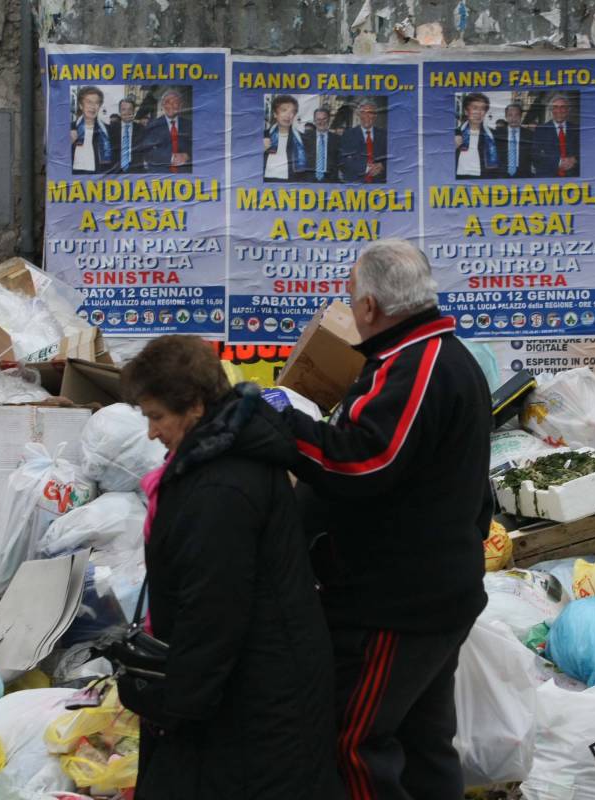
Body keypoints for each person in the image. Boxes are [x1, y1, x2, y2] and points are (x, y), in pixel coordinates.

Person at [276, 239, 492, 800]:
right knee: (423, 745)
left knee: (354, 743)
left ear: (370, 306)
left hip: (399, 607)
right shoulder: (426, 357)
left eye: (351, 299)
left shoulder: (418, 365)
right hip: (430, 595)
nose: (349, 309)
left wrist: (287, 432)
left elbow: (367, 461)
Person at [120, 336, 337, 800]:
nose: (151, 433)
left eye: (157, 417)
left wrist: (173, 705)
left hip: (259, 700)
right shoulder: (217, 459)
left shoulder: (221, 486)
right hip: (251, 688)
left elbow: (213, 609)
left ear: (194, 406)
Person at [145, 87, 193, 173]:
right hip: (160, 174)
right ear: (163, 105)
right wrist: (171, 158)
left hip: (186, 174)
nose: (171, 105)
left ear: (180, 105)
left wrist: (188, 155)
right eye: (167, 102)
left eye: (175, 102)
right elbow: (148, 152)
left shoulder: (190, 125)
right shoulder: (152, 125)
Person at [263, 94, 309, 182]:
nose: (288, 115)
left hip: (290, 183)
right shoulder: (263, 136)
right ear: (275, 114)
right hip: (265, 182)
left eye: (292, 112)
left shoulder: (302, 140)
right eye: (284, 110)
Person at [339, 99, 387, 183]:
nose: (366, 116)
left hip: (379, 184)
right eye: (363, 112)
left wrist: (382, 166)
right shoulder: (347, 135)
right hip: (355, 184)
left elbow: (394, 158)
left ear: (375, 115)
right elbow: (342, 160)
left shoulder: (384, 135)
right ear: (359, 115)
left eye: (370, 113)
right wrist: (366, 168)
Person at [532, 94, 579, 177]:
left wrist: (575, 159)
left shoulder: (577, 130)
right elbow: (535, 156)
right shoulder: (540, 130)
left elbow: (586, 152)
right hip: (548, 178)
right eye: (555, 107)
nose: (559, 110)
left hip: (573, 178)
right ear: (551, 110)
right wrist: (559, 162)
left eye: (563, 107)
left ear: (568, 110)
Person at [454, 92, 499, 179]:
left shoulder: (493, 135)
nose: (478, 112)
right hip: (457, 178)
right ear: (466, 111)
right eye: (475, 108)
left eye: (482, 109)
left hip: (483, 178)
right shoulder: (455, 133)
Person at [70, 85, 113, 174]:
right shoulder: (69, 128)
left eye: (96, 103)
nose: (92, 107)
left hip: (98, 179)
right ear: (81, 105)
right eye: (89, 102)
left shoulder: (108, 131)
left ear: (99, 106)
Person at [109, 97, 146, 173]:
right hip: (115, 173)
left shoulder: (142, 129)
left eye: (130, 109)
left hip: (136, 172)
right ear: (119, 111)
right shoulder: (111, 129)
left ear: (134, 111)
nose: (127, 112)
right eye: (123, 109)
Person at [498, 102, 533, 178]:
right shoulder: (498, 134)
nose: (513, 118)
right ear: (506, 117)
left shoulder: (530, 135)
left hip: (524, 176)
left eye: (516, 115)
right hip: (502, 175)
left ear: (521, 116)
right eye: (510, 115)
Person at [306, 106, 340, 182]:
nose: (321, 122)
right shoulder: (305, 138)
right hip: (309, 182)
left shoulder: (337, 139)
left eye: (324, 119)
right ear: (314, 121)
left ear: (329, 120)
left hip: (331, 182)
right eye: (318, 119)